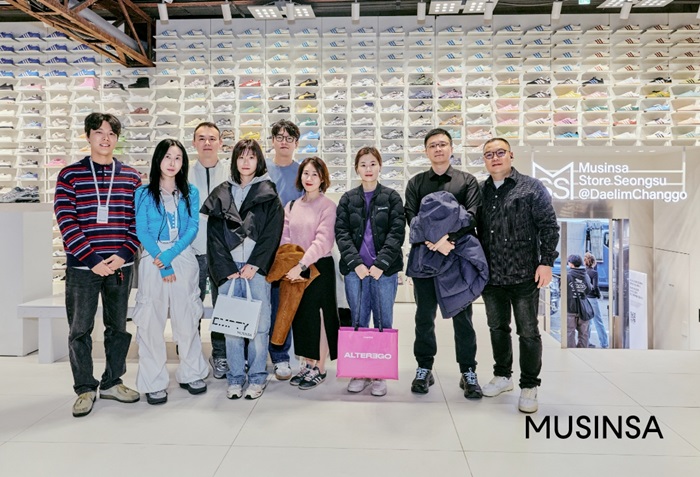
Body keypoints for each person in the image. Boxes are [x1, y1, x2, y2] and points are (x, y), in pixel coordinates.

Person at [54, 112, 141, 417]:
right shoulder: (70, 175)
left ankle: (112, 382)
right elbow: (66, 221)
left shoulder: (131, 176)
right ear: (88, 135)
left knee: (118, 328)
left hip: (119, 266)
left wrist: (125, 254)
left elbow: (137, 221)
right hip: (82, 267)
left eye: (112, 134)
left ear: (117, 139)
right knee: (80, 329)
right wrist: (91, 259)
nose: (106, 138)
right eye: (99, 132)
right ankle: (84, 388)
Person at [477, 137, 560, 414]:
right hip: (491, 276)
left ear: (511, 155)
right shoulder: (480, 191)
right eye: (489, 154)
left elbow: (549, 226)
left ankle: (529, 385)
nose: (495, 158)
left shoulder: (531, 187)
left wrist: (546, 262)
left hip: (524, 274)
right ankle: (503, 376)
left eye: (500, 152)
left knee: (528, 332)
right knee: (497, 328)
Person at [201, 139, 284, 400]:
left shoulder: (269, 193)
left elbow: (272, 234)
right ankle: (235, 378)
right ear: (234, 161)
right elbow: (214, 236)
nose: (246, 162)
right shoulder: (222, 192)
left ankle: (257, 377)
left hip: (255, 270)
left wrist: (255, 265)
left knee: (260, 326)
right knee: (232, 327)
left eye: (251, 157)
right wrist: (227, 269)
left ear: (259, 161)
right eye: (241, 157)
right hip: (229, 270)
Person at [404, 128, 483, 399]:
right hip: (425, 258)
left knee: (463, 319)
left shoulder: (467, 181)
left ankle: (468, 371)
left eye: (442, 144)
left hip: (457, 258)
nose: (438, 149)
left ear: (451, 148)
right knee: (424, 317)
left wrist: (448, 240)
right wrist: (432, 240)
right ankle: (424, 368)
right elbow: (411, 217)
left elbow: (472, 215)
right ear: (426, 151)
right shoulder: (416, 183)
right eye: (433, 145)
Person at [133, 139, 209, 405]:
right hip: (153, 259)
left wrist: (171, 256)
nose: (172, 163)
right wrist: (163, 261)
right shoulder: (143, 193)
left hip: (182, 256)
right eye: (167, 157)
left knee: (187, 317)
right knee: (150, 322)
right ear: (158, 160)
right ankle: (154, 381)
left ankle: (192, 372)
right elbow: (142, 230)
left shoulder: (190, 192)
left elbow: (192, 227)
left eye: (178, 158)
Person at [335, 147, 405, 397]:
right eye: (363, 164)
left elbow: (397, 232)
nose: (368, 168)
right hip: (355, 272)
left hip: (384, 272)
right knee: (358, 320)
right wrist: (356, 264)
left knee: (384, 321)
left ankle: (379, 373)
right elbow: (341, 233)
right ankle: (359, 371)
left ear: (380, 167)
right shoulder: (347, 199)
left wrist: (380, 265)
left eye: (373, 163)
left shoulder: (391, 197)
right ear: (356, 168)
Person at [282, 157, 339, 390]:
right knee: (303, 317)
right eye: (306, 173)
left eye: (315, 174)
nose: (309, 178)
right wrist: (290, 264)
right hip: (296, 269)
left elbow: (323, 240)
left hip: (319, 268)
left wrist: (302, 265)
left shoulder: (328, 206)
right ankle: (307, 363)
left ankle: (320, 367)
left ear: (322, 178)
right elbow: (285, 237)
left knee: (321, 317)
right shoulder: (292, 206)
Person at [188, 122, 230, 380]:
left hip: (222, 251)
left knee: (222, 305)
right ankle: (191, 353)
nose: (207, 143)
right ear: (194, 142)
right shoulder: (184, 173)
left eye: (212, 138)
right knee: (190, 305)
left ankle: (221, 354)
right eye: (201, 138)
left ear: (220, 143)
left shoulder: (230, 172)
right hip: (191, 250)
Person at [264, 119, 303, 381]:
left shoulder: (302, 172)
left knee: (283, 304)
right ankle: (253, 355)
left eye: (289, 138)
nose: (284, 142)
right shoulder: (262, 170)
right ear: (272, 141)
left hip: (290, 249)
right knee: (260, 303)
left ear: (296, 143)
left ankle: (280, 356)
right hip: (263, 247)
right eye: (279, 137)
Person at [566, 254, 594, 349]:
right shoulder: (585, 275)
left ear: (571, 264)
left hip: (570, 307)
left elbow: (563, 289)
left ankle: (571, 353)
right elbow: (589, 288)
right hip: (583, 309)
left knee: (569, 332)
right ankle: (582, 352)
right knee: (584, 334)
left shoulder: (568, 276)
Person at [584, 252, 608, 348]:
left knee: (588, 321)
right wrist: (598, 295)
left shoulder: (584, 272)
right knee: (598, 321)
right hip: (592, 299)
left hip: (585, 298)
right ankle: (604, 343)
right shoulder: (594, 273)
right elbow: (595, 286)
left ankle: (586, 342)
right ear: (594, 263)